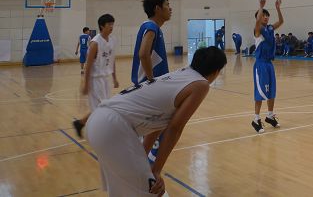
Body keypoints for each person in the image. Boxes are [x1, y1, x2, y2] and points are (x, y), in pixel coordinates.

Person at [86, 47, 226, 197]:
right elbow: (175, 128)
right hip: (113, 127)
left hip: (99, 120)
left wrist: (145, 159)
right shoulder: (201, 84)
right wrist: (156, 170)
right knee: (154, 191)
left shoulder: (182, 73)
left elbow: (158, 123)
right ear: (216, 71)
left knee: (129, 192)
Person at [72, 15, 119, 138]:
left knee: (104, 107)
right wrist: (86, 84)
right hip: (95, 80)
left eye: (112, 24)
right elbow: (88, 65)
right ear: (102, 26)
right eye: (109, 24)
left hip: (105, 79)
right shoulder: (95, 43)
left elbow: (112, 60)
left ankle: (80, 123)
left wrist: (114, 78)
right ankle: (98, 132)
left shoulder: (112, 40)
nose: (111, 27)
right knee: (101, 108)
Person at [251, 0, 283, 133]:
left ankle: (270, 116)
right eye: (263, 15)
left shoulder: (270, 28)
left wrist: (278, 8)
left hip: (269, 64)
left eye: (267, 15)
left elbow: (281, 21)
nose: (265, 17)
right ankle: (256, 119)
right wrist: (260, 6)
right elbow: (258, 20)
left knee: (271, 92)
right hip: (260, 65)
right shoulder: (258, 30)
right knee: (260, 93)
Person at [131, 0, 171, 85]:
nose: (170, 8)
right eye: (167, 5)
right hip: (147, 85)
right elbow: (143, 54)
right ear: (157, 8)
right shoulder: (151, 27)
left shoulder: (153, 27)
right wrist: (151, 80)